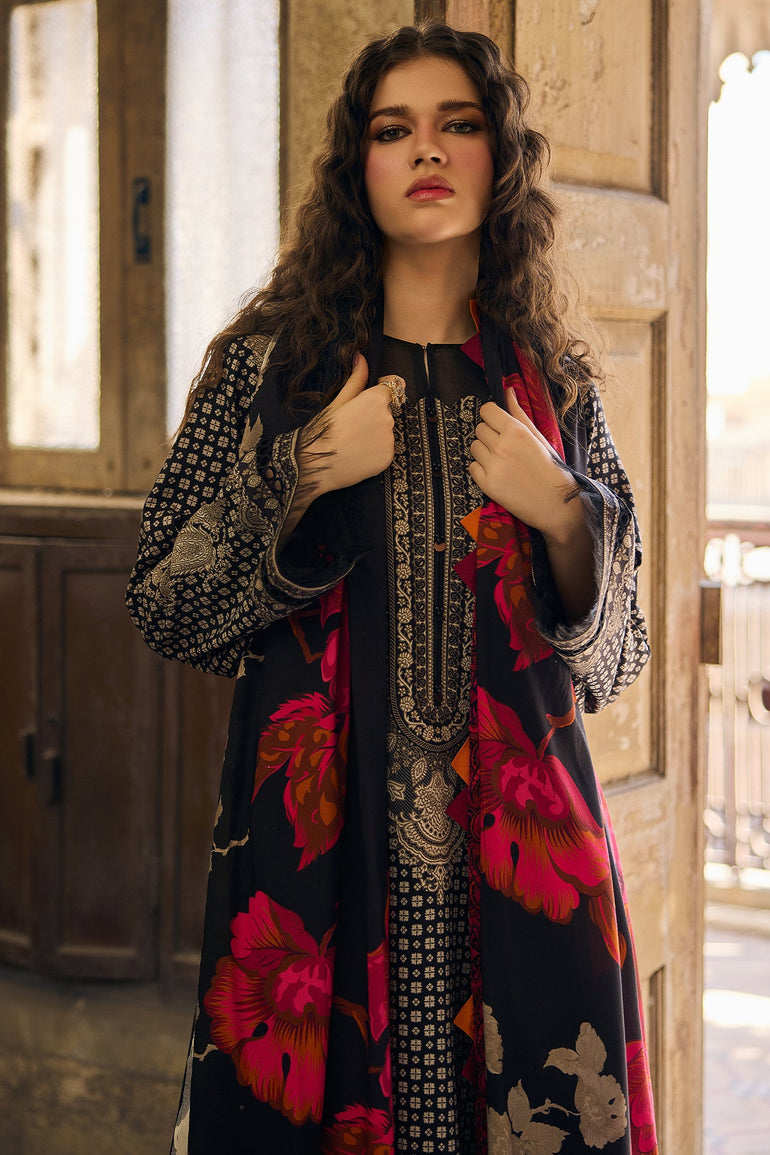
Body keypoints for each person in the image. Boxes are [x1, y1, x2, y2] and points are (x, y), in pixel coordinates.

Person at [127, 22, 658, 1155]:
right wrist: (306, 467)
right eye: (392, 129)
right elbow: (162, 599)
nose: (427, 149)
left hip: (523, 864)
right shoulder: (265, 370)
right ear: (355, 164)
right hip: (324, 858)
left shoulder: (554, 382)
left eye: (457, 124)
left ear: (498, 156)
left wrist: (563, 507)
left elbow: (619, 656)